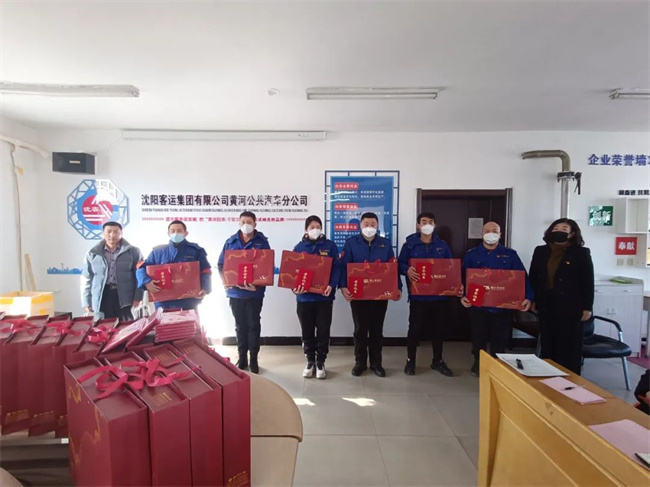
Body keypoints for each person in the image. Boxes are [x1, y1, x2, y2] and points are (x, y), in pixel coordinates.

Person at [461, 221, 533, 377]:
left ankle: (497, 363)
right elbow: (462, 278)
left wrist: (528, 297)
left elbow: (522, 277)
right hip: (478, 304)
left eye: (494, 231)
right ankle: (478, 362)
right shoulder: (472, 254)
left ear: (500, 234)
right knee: (478, 335)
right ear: (482, 233)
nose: (491, 233)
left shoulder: (510, 254)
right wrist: (462, 296)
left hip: (503, 304)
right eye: (487, 230)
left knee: (500, 337)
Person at [340, 212, 402, 377]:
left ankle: (376, 364)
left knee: (376, 329)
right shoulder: (351, 243)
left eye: (373, 224)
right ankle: (360, 363)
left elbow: (392, 267)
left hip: (380, 294)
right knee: (360, 330)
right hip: (358, 294)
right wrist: (343, 287)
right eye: (366, 224)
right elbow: (344, 267)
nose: (369, 227)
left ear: (377, 225)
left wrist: (398, 288)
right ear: (360, 225)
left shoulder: (385, 244)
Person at [398, 212, 461, 377]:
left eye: (430, 222)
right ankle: (410, 361)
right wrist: (407, 269)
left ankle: (437, 360)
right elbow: (400, 263)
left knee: (438, 330)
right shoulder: (410, 245)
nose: (427, 224)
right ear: (418, 225)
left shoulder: (442, 246)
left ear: (434, 225)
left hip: (439, 296)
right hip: (418, 296)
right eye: (424, 222)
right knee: (414, 329)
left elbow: (451, 268)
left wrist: (456, 286)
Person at [529, 218, 594, 375]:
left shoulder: (581, 253)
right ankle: (549, 376)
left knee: (569, 345)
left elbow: (588, 281)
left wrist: (587, 307)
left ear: (571, 234)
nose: (559, 231)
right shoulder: (541, 251)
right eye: (556, 228)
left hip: (571, 306)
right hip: (546, 303)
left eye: (564, 229)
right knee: (548, 342)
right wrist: (532, 299)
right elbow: (533, 276)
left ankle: (570, 378)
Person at [217, 211, 271, 374]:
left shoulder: (262, 242)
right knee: (240, 326)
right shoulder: (230, 242)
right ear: (239, 223)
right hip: (235, 293)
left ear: (255, 224)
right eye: (243, 222)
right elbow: (221, 265)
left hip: (254, 293)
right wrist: (226, 281)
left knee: (253, 325)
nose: (246, 225)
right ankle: (242, 358)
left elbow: (267, 267)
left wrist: (257, 286)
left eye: (249, 222)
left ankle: (253, 359)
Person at [292, 215, 341, 380]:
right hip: (304, 298)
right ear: (306, 230)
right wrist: (294, 287)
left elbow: (337, 268)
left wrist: (331, 285)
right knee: (307, 331)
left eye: (318, 227)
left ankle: (321, 362)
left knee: (323, 331)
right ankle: (310, 361)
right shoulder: (299, 248)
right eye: (312, 227)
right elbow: (292, 271)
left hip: (324, 298)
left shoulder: (330, 246)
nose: (315, 230)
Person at [136, 220, 211, 310]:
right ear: (168, 233)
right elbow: (141, 268)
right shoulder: (157, 252)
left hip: (189, 301)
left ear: (185, 233)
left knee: (189, 319)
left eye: (179, 231)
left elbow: (206, 271)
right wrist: (146, 281)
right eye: (173, 231)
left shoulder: (196, 251)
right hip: (163, 303)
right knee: (164, 319)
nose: (175, 234)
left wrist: (205, 288)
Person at [81, 221, 143, 321]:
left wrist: (138, 296)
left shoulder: (134, 252)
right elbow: (87, 278)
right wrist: (86, 300)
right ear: (103, 233)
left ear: (121, 233)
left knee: (126, 326)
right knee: (103, 326)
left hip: (125, 296)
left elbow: (139, 276)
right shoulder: (93, 253)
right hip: (102, 295)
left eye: (116, 232)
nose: (112, 235)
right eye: (109, 231)